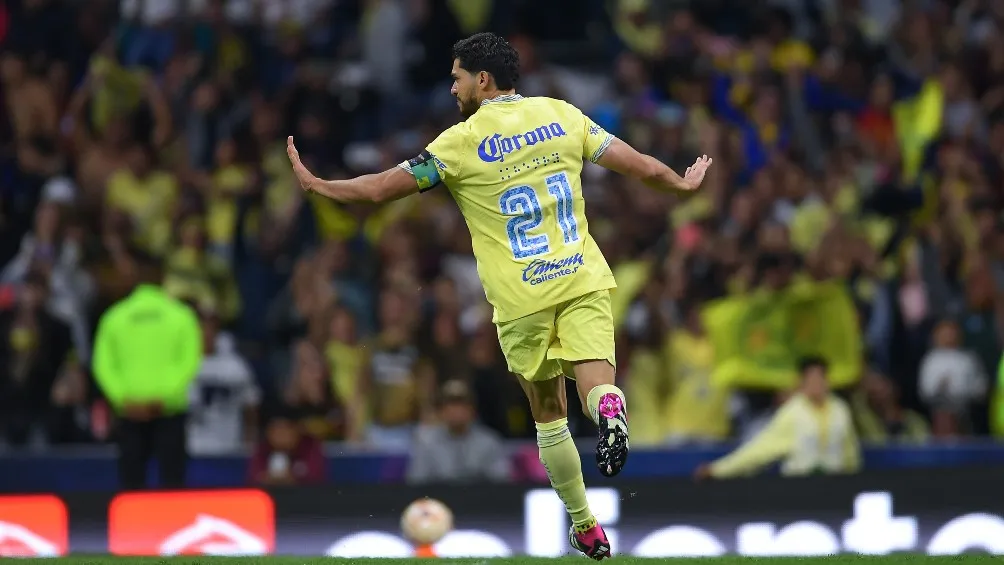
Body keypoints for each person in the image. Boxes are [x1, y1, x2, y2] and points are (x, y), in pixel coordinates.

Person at [286, 32, 712, 560]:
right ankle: (609, 409)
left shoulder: (457, 145)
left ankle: (583, 523)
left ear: (482, 80)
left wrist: (319, 184)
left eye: (457, 77)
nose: (452, 88)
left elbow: (377, 190)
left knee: (548, 411)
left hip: (521, 299)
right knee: (596, 384)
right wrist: (681, 183)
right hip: (581, 277)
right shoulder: (561, 115)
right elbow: (642, 167)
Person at [92, 257, 203, 490]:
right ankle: (174, 525)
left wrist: (124, 400)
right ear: (163, 279)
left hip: (130, 412)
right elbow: (190, 361)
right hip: (168, 410)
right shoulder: (182, 316)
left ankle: (131, 525)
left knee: (131, 483)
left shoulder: (115, 317)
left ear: (134, 279)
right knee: (172, 482)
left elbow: (103, 365)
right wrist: (163, 397)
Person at [693, 356, 861, 480]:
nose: (817, 384)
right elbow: (760, 449)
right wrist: (718, 470)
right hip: (800, 487)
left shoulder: (840, 410)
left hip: (836, 487)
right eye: (811, 378)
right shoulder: (793, 412)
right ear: (801, 381)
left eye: (820, 377)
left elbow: (850, 454)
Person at [406, 380, 511, 484]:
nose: (456, 411)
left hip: (479, 498)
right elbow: (416, 482)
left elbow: (501, 481)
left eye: (462, 405)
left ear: (473, 411)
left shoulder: (489, 441)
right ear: (441, 411)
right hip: (438, 498)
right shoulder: (426, 442)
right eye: (450, 405)